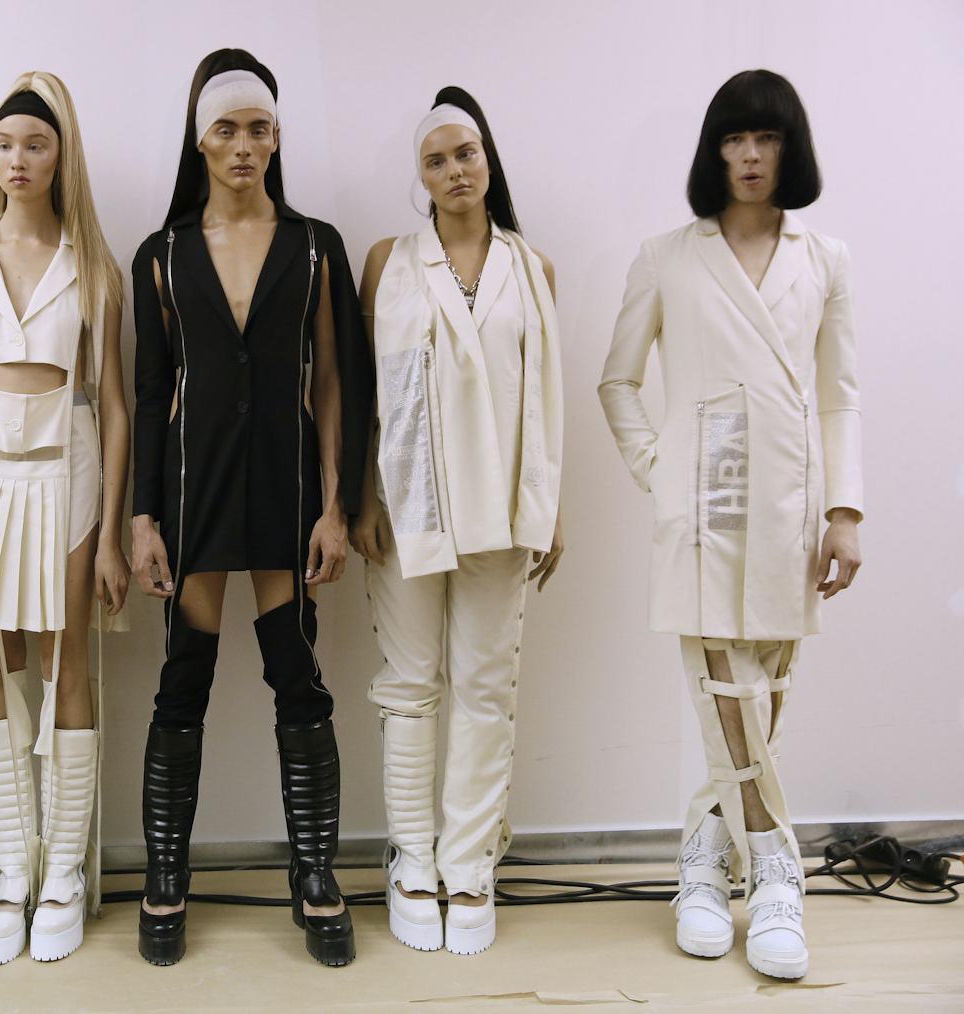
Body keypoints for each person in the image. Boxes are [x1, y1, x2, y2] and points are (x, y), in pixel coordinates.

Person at [599, 69, 863, 980]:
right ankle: (779, 871)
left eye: (767, 138)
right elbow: (618, 381)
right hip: (703, 510)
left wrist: (845, 510)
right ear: (714, 151)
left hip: (791, 503)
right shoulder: (667, 256)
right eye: (734, 139)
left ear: (791, 150)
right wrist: (660, 468)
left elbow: (841, 395)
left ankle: (707, 861)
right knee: (728, 694)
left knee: (766, 696)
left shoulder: (825, 259)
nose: (750, 156)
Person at [129, 48, 373, 968]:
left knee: (297, 676)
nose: (243, 145)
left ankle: (315, 873)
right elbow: (150, 394)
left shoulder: (315, 246)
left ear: (277, 138)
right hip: (193, 487)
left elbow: (336, 382)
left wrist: (337, 506)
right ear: (201, 141)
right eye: (226, 129)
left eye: (258, 129)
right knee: (182, 680)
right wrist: (143, 517)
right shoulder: (162, 255)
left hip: (285, 484)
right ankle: (166, 876)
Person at [0, 71, 129, 965]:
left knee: (65, 655)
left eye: (35, 144)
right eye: (5, 143)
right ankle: (12, 869)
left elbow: (112, 404)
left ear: (61, 155)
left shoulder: (96, 268)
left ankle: (65, 873)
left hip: (66, 467)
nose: (18, 159)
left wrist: (112, 533)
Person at [353, 87, 564, 956]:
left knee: (485, 685)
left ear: (487, 159)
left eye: (465, 154)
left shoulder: (533, 267)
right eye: (435, 160)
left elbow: (547, 397)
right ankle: (413, 857)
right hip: (407, 501)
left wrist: (551, 510)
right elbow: (368, 393)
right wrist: (364, 497)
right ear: (422, 175)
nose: (454, 171)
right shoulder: (388, 262)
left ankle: (470, 862)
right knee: (409, 683)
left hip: (504, 506)